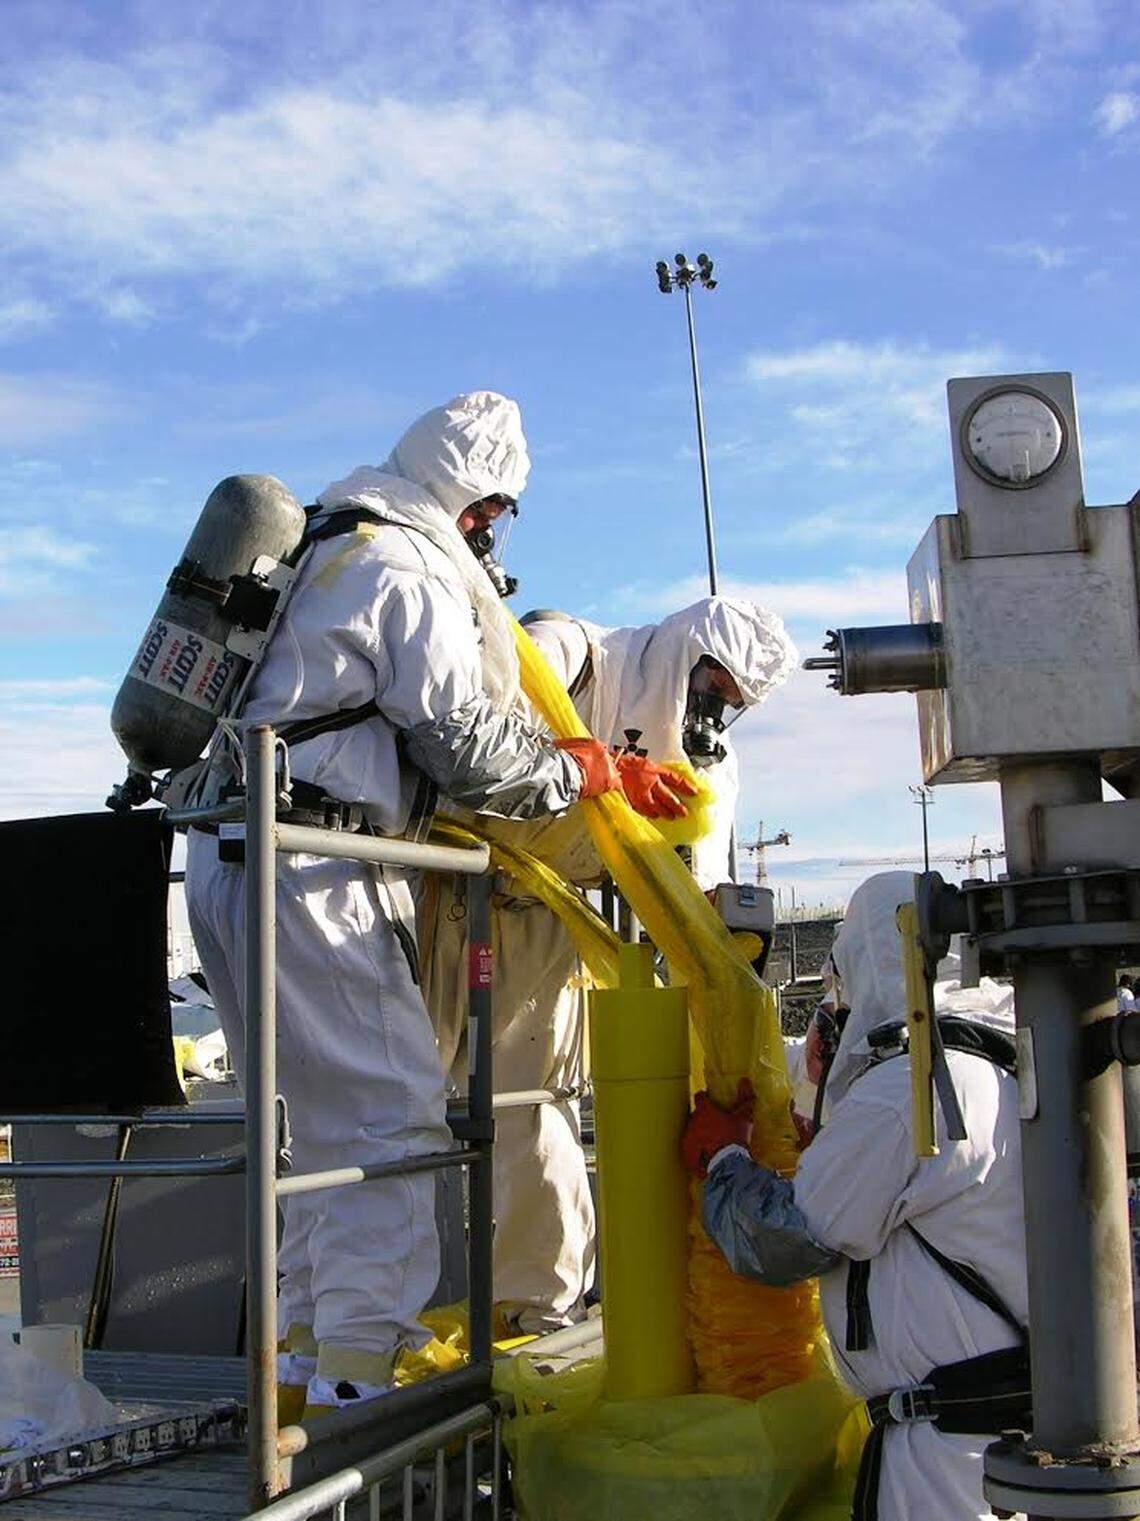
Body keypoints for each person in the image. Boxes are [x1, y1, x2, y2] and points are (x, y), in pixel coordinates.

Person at [185, 392, 690, 1419]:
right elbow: (465, 749)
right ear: (467, 495)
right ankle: (355, 1392)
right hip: (315, 866)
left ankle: (297, 1365)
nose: (492, 534)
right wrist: (587, 772)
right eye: (493, 511)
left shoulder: (319, 549)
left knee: (318, 1135)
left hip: (226, 852)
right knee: (388, 1128)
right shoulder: (403, 567)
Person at [424, 598, 796, 1332]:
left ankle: (535, 1308)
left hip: (546, 920)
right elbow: (467, 743)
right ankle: (350, 1321)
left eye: (731, 704)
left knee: (533, 1107)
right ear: (683, 656)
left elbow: (696, 892)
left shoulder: (704, 766)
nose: (712, 715)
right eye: (712, 689)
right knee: (395, 1095)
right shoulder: (569, 652)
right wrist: (600, 773)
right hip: (443, 889)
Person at [682, 871, 1026, 1521]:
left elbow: (786, 1239)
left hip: (945, 1463)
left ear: (868, 964)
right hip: (993, 1440)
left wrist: (722, 1156)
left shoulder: (909, 1090)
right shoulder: (987, 1070)